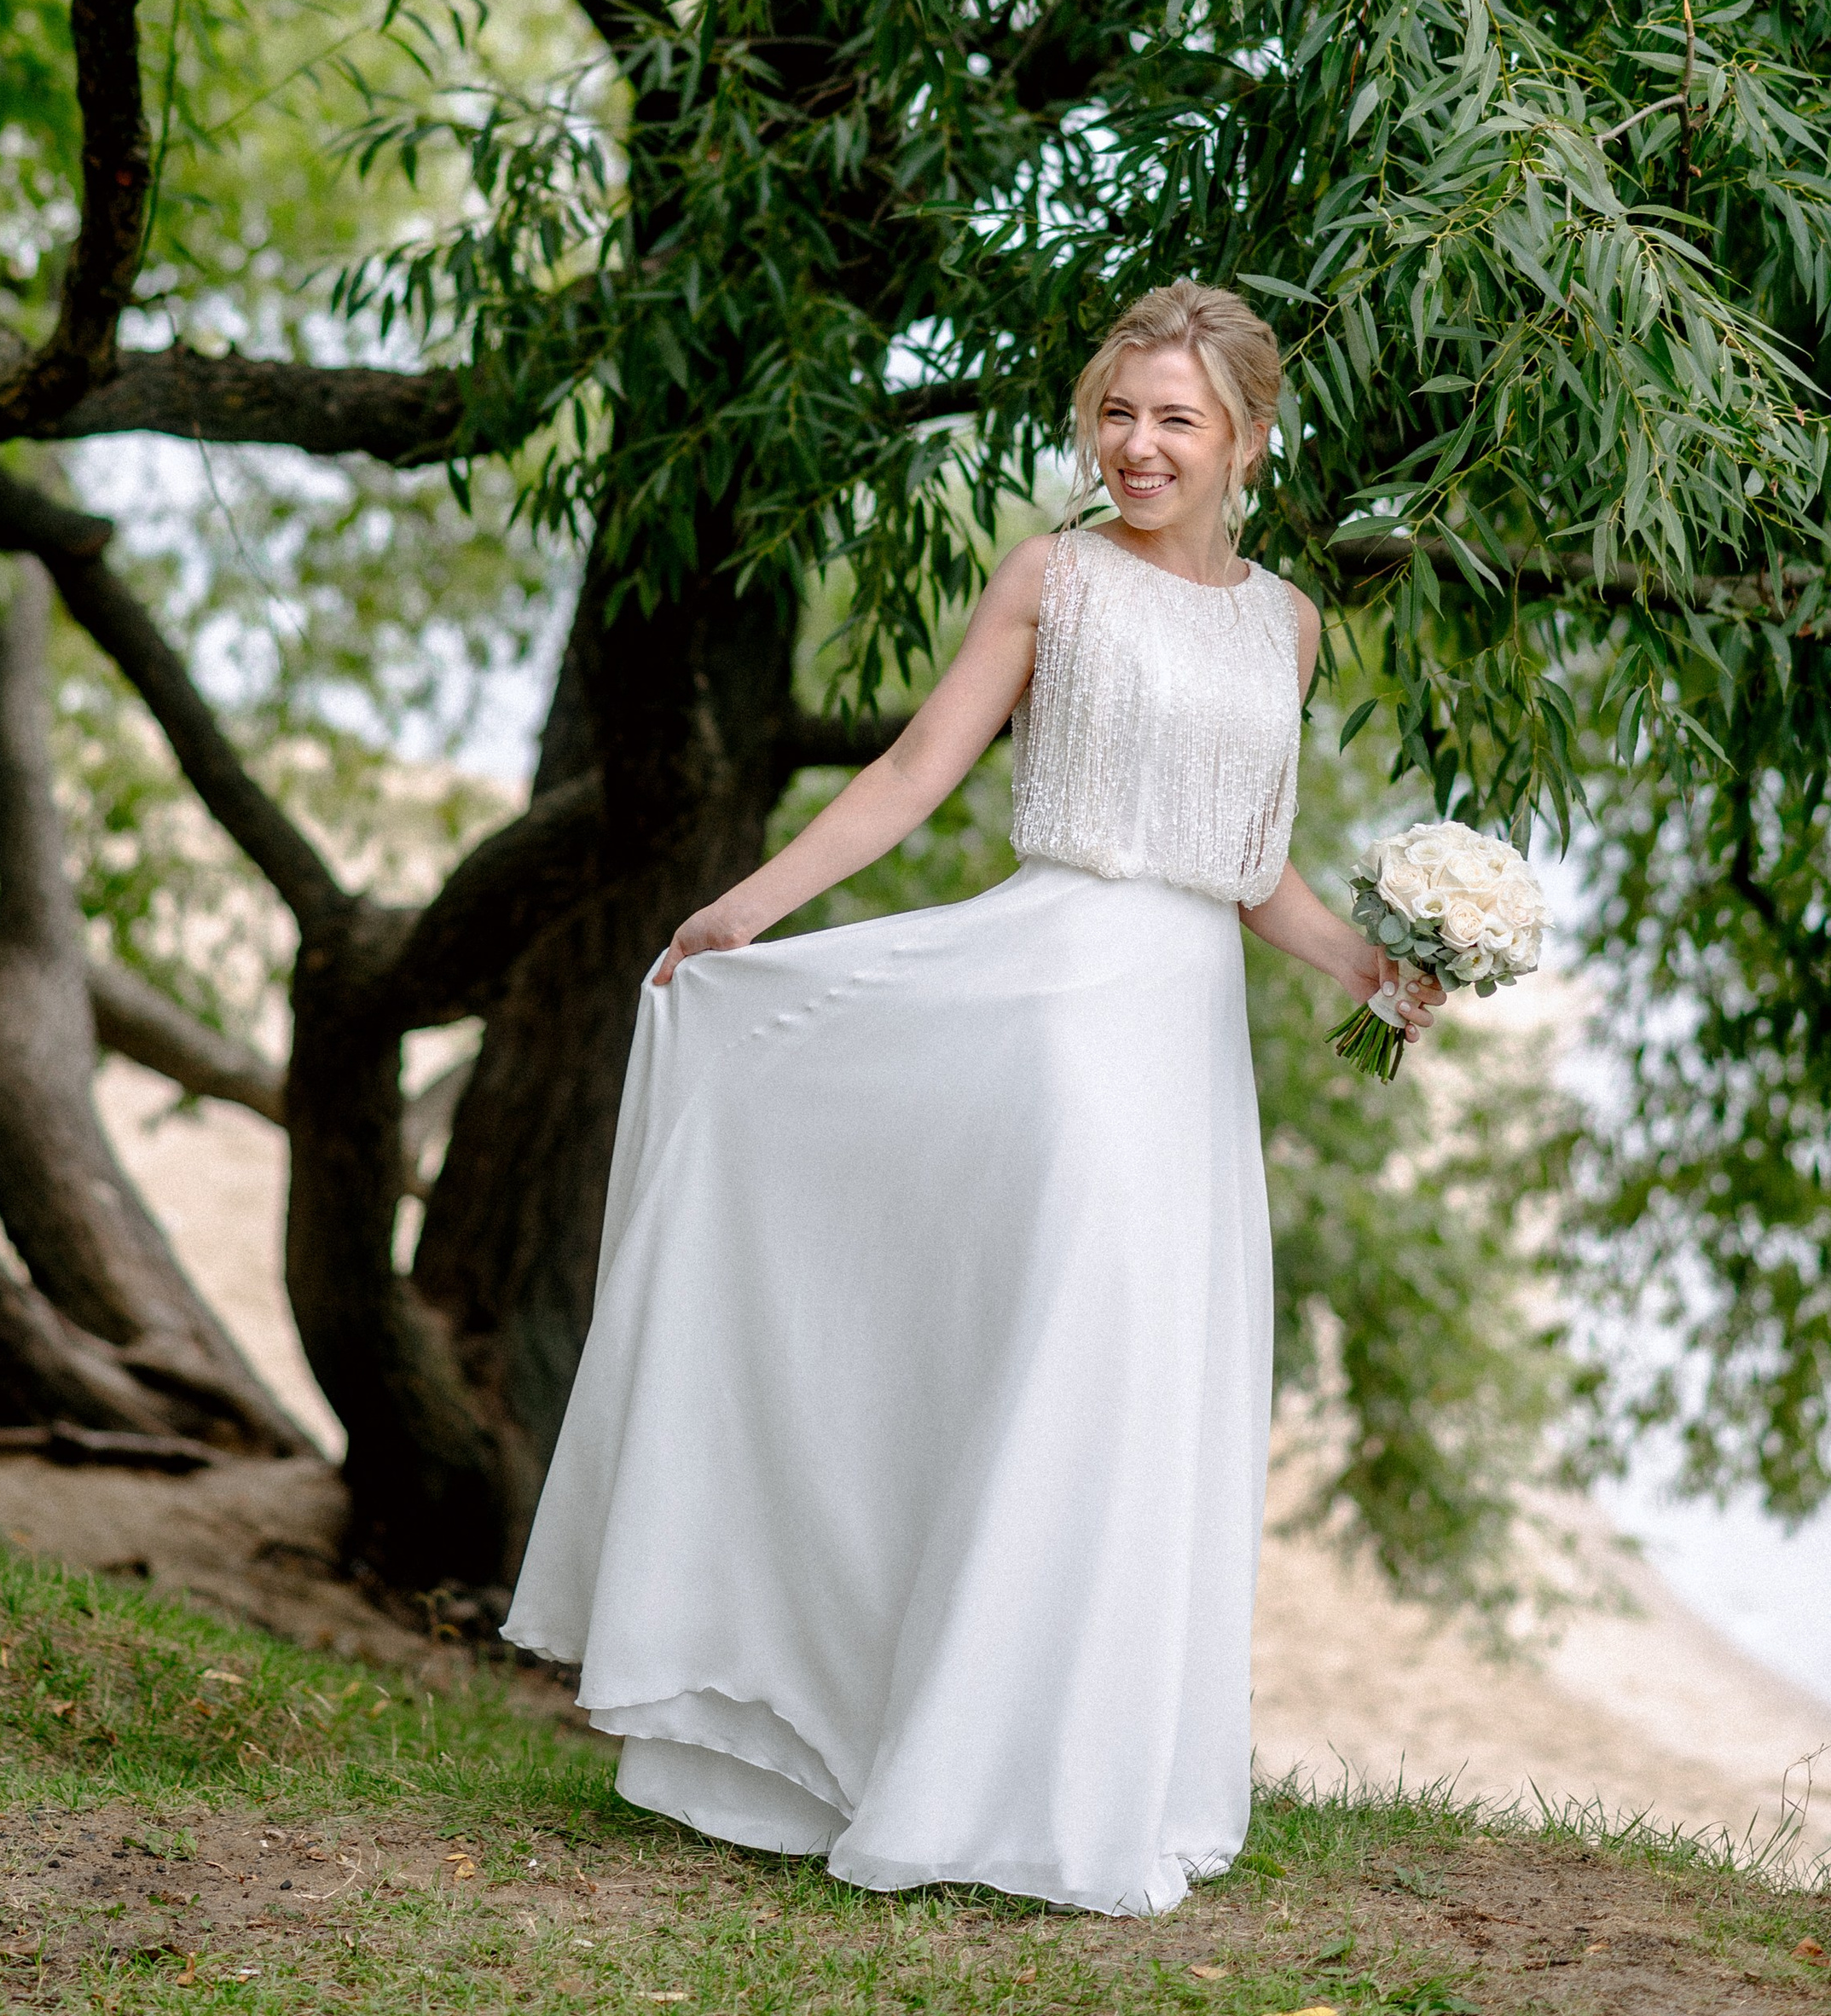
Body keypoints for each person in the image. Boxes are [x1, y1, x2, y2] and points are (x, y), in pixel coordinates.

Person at [502, 278, 1441, 1915]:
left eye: (1177, 420)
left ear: (1248, 441)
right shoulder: (1051, 578)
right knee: (1057, 1346)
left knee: (1135, 1382)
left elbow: (1249, 869)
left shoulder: (1287, 625)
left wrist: (1369, 964)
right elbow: (910, 769)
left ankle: (1048, 1774)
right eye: (1117, 413)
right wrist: (749, 910)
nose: (1138, 445)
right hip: (1056, 1001)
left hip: (1187, 1041)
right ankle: (918, 1761)